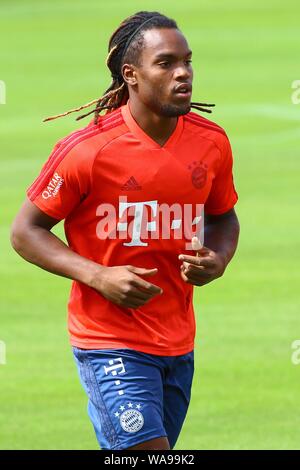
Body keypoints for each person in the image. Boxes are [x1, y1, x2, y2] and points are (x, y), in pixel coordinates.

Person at [10, 11, 240, 450]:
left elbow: (223, 215)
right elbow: (25, 232)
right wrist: (98, 275)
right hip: (108, 342)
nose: (183, 74)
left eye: (188, 62)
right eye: (167, 63)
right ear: (130, 75)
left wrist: (219, 258)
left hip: (177, 340)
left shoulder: (211, 142)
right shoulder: (88, 150)